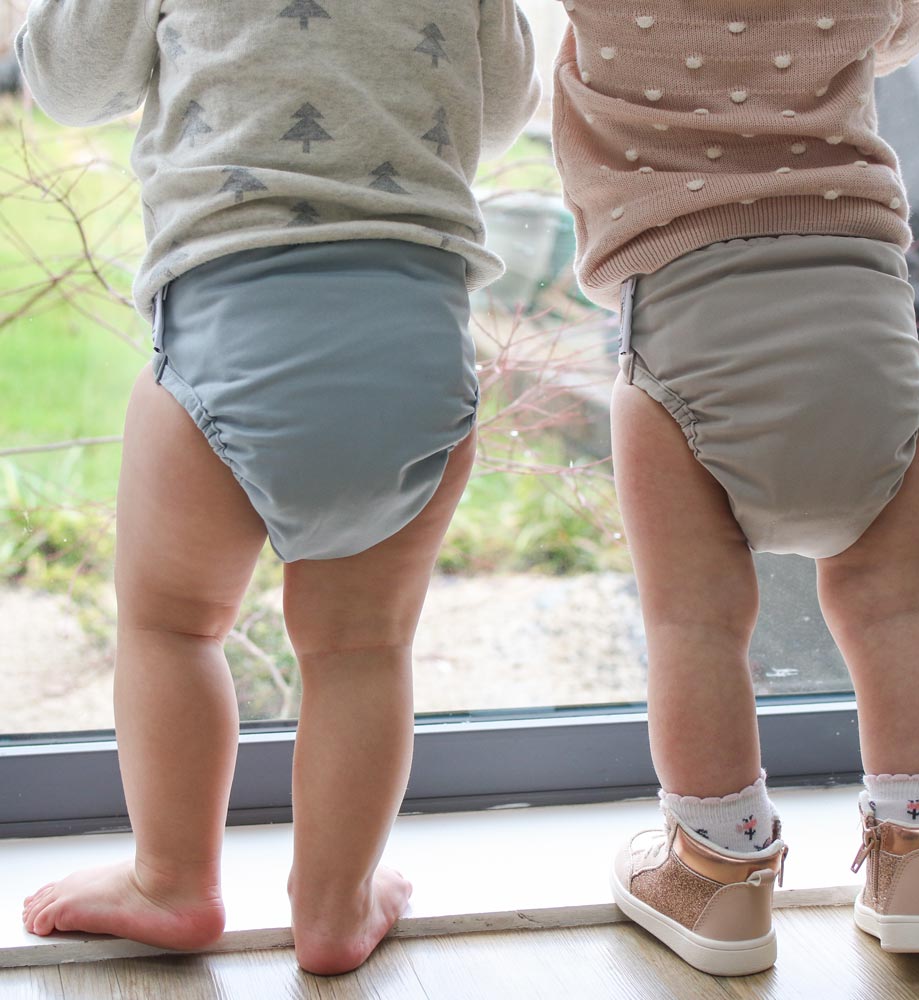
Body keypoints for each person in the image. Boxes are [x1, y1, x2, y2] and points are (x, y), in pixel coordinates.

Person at [16, 0, 539, 975]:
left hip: (231, 312)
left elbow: (66, 81)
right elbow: (504, 106)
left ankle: (173, 881)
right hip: (411, 335)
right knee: (361, 647)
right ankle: (334, 908)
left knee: (173, 626)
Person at [551, 0, 919, 976]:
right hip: (859, 306)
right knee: (897, 614)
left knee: (695, 626)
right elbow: (910, 28)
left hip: (685, 309)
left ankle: (718, 876)